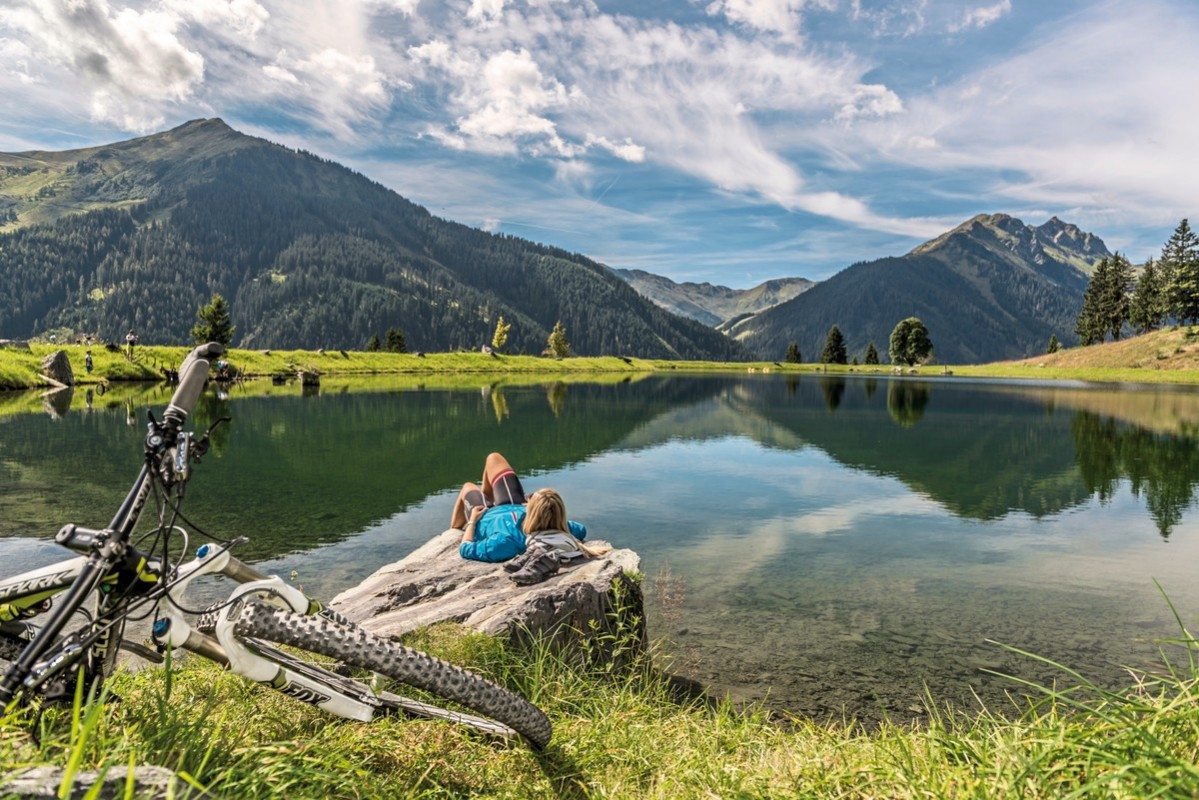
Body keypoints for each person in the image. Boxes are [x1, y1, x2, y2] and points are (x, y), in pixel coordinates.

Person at [452, 452, 586, 563]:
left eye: (531, 498)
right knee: (493, 458)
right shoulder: (560, 527)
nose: (528, 497)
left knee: (467, 487)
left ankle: (453, 529)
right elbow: (581, 529)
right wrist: (532, 508)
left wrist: (472, 522)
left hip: (484, 515)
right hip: (514, 505)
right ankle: (487, 497)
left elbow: (465, 549)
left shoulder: (505, 543)